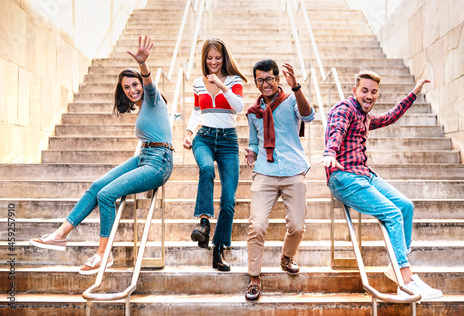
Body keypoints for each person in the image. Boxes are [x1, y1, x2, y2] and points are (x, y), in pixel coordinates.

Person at [29, 36, 174, 275]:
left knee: (107, 195)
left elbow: (148, 82)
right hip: (144, 157)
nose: (132, 90)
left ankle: (102, 255)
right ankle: (59, 235)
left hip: (160, 161)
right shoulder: (142, 108)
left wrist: (143, 64)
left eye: (134, 85)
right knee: (97, 186)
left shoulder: (153, 98)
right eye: (126, 88)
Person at [320, 70, 443, 300]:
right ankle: (405, 279)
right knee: (392, 214)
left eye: (373, 92)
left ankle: (395, 268)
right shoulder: (344, 109)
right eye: (364, 90)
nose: (369, 96)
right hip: (343, 176)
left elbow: (390, 117)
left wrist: (414, 93)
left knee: (405, 206)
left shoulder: (365, 116)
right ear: (354, 90)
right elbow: (336, 130)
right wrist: (329, 153)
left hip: (364, 174)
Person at [244, 59, 314, 300]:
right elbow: (254, 140)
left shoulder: (292, 99)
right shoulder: (253, 112)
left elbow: (308, 116)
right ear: (256, 82)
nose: (265, 84)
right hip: (265, 169)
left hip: (293, 169)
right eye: (260, 80)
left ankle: (286, 256)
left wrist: (296, 87)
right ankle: (254, 277)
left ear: (277, 79)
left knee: (297, 225)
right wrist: (252, 151)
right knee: (257, 225)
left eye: (270, 79)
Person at [183, 38, 247, 271]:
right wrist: (189, 133)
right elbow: (197, 111)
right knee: (206, 168)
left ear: (224, 58)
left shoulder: (234, 81)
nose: (213, 62)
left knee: (229, 200)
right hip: (205, 138)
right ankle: (203, 223)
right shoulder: (198, 83)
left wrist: (221, 85)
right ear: (204, 59)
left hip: (229, 141)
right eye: (209, 58)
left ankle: (219, 249)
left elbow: (238, 106)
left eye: (217, 58)